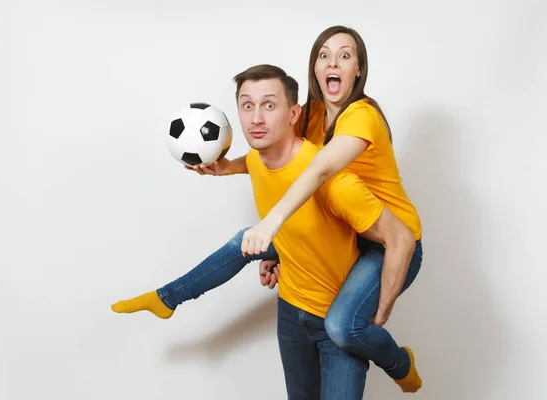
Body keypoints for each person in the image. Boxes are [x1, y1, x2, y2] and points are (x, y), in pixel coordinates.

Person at [112, 26, 424, 393]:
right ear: (313, 67)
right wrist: (228, 168)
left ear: (359, 69)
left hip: (393, 240)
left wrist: (273, 224)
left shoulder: (360, 117)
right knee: (241, 243)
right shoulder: (310, 114)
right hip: (345, 227)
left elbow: (320, 169)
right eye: (324, 54)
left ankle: (400, 363)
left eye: (344, 55)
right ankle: (167, 298)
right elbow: (277, 150)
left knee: (343, 325)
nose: (332, 62)